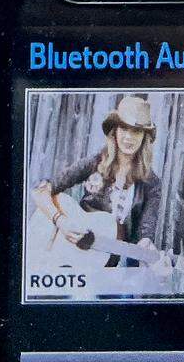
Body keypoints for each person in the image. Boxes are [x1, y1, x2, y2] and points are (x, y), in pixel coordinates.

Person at [31, 93, 163, 263]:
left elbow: (146, 235)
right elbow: (39, 192)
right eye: (123, 128)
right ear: (114, 132)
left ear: (145, 136)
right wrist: (61, 221)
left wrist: (149, 250)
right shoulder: (95, 163)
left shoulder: (152, 184)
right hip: (75, 255)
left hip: (109, 263)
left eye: (136, 131)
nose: (128, 137)